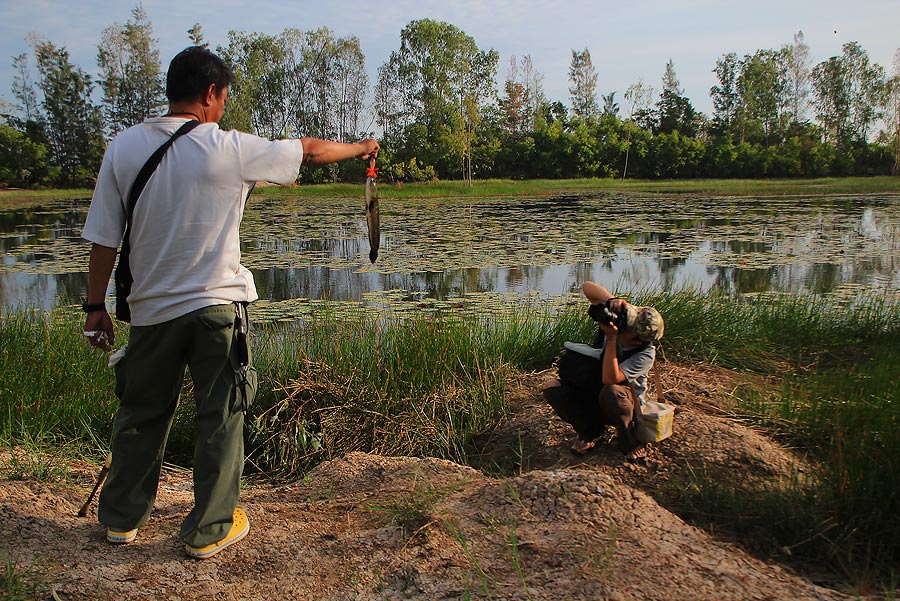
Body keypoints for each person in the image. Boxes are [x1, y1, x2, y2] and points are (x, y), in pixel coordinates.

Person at [81, 46, 379, 559]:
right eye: (223, 98)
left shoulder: (124, 147)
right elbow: (307, 150)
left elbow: (104, 238)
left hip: (149, 312)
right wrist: (365, 147)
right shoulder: (229, 148)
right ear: (212, 94)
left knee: (141, 413)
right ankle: (210, 528)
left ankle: (121, 522)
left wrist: (94, 308)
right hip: (218, 309)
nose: (223, 109)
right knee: (219, 415)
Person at [542, 281, 664, 462]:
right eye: (627, 321)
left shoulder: (645, 354)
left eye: (629, 326)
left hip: (623, 407)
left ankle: (630, 441)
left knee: (612, 392)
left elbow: (610, 379)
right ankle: (591, 431)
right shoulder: (618, 325)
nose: (624, 325)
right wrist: (611, 300)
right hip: (595, 394)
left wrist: (612, 338)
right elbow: (587, 287)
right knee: (552, 387)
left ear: (639, 340)